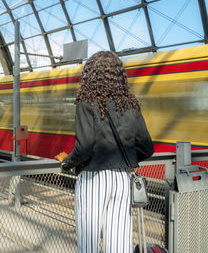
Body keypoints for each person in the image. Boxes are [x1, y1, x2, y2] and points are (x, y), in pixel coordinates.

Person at [55, 51, 154, 253]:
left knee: (89, 243)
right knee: (118, 243)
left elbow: (83, 147)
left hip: (94, 179)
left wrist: (67, 163)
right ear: (119, 76)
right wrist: (124, 160)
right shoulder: (130, 104)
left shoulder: (86, 102)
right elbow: (147, 148)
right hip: (122, 180)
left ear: (90, 75)